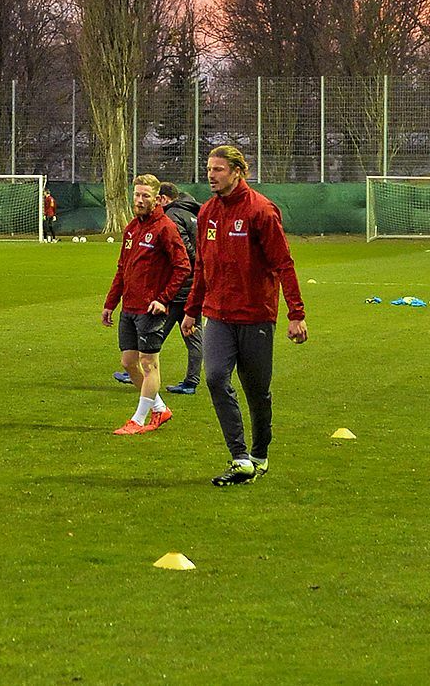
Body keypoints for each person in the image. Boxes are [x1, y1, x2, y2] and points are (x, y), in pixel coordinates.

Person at [182, 146, 307, 486]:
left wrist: (296, 314)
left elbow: (284, 264)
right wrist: (191, 310)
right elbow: (202, 267)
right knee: (215, 378)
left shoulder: (261, 211)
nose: (211, 174)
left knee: (257, 391)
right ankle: (239, 457)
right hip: (218, 315)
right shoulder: (206, 213)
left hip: (256, 316)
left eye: (218, 169)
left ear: (238, 171)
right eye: (209, 168)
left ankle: (260, 453)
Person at [101, 175, 191, 435]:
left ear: (156, 199)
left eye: (145, 196)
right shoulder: (131, 228)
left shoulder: (165, 227)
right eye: (137, 195)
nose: (139, 200)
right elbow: (122, 269)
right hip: (129, 306)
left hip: (151, 308)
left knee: (149, 363)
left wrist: (163, 299)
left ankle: (138, 420)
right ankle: (160, 408)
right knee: (128, 362)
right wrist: (110, 303)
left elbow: (183, 266)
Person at [158, 181, 205, 395]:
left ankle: (138, 370)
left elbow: (184, 249)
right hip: (195, 284)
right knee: (191, 335)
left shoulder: (172, 216)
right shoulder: (194, 213)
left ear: (163, 199)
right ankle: (191, 382)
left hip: (181, 285)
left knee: (155, 328)